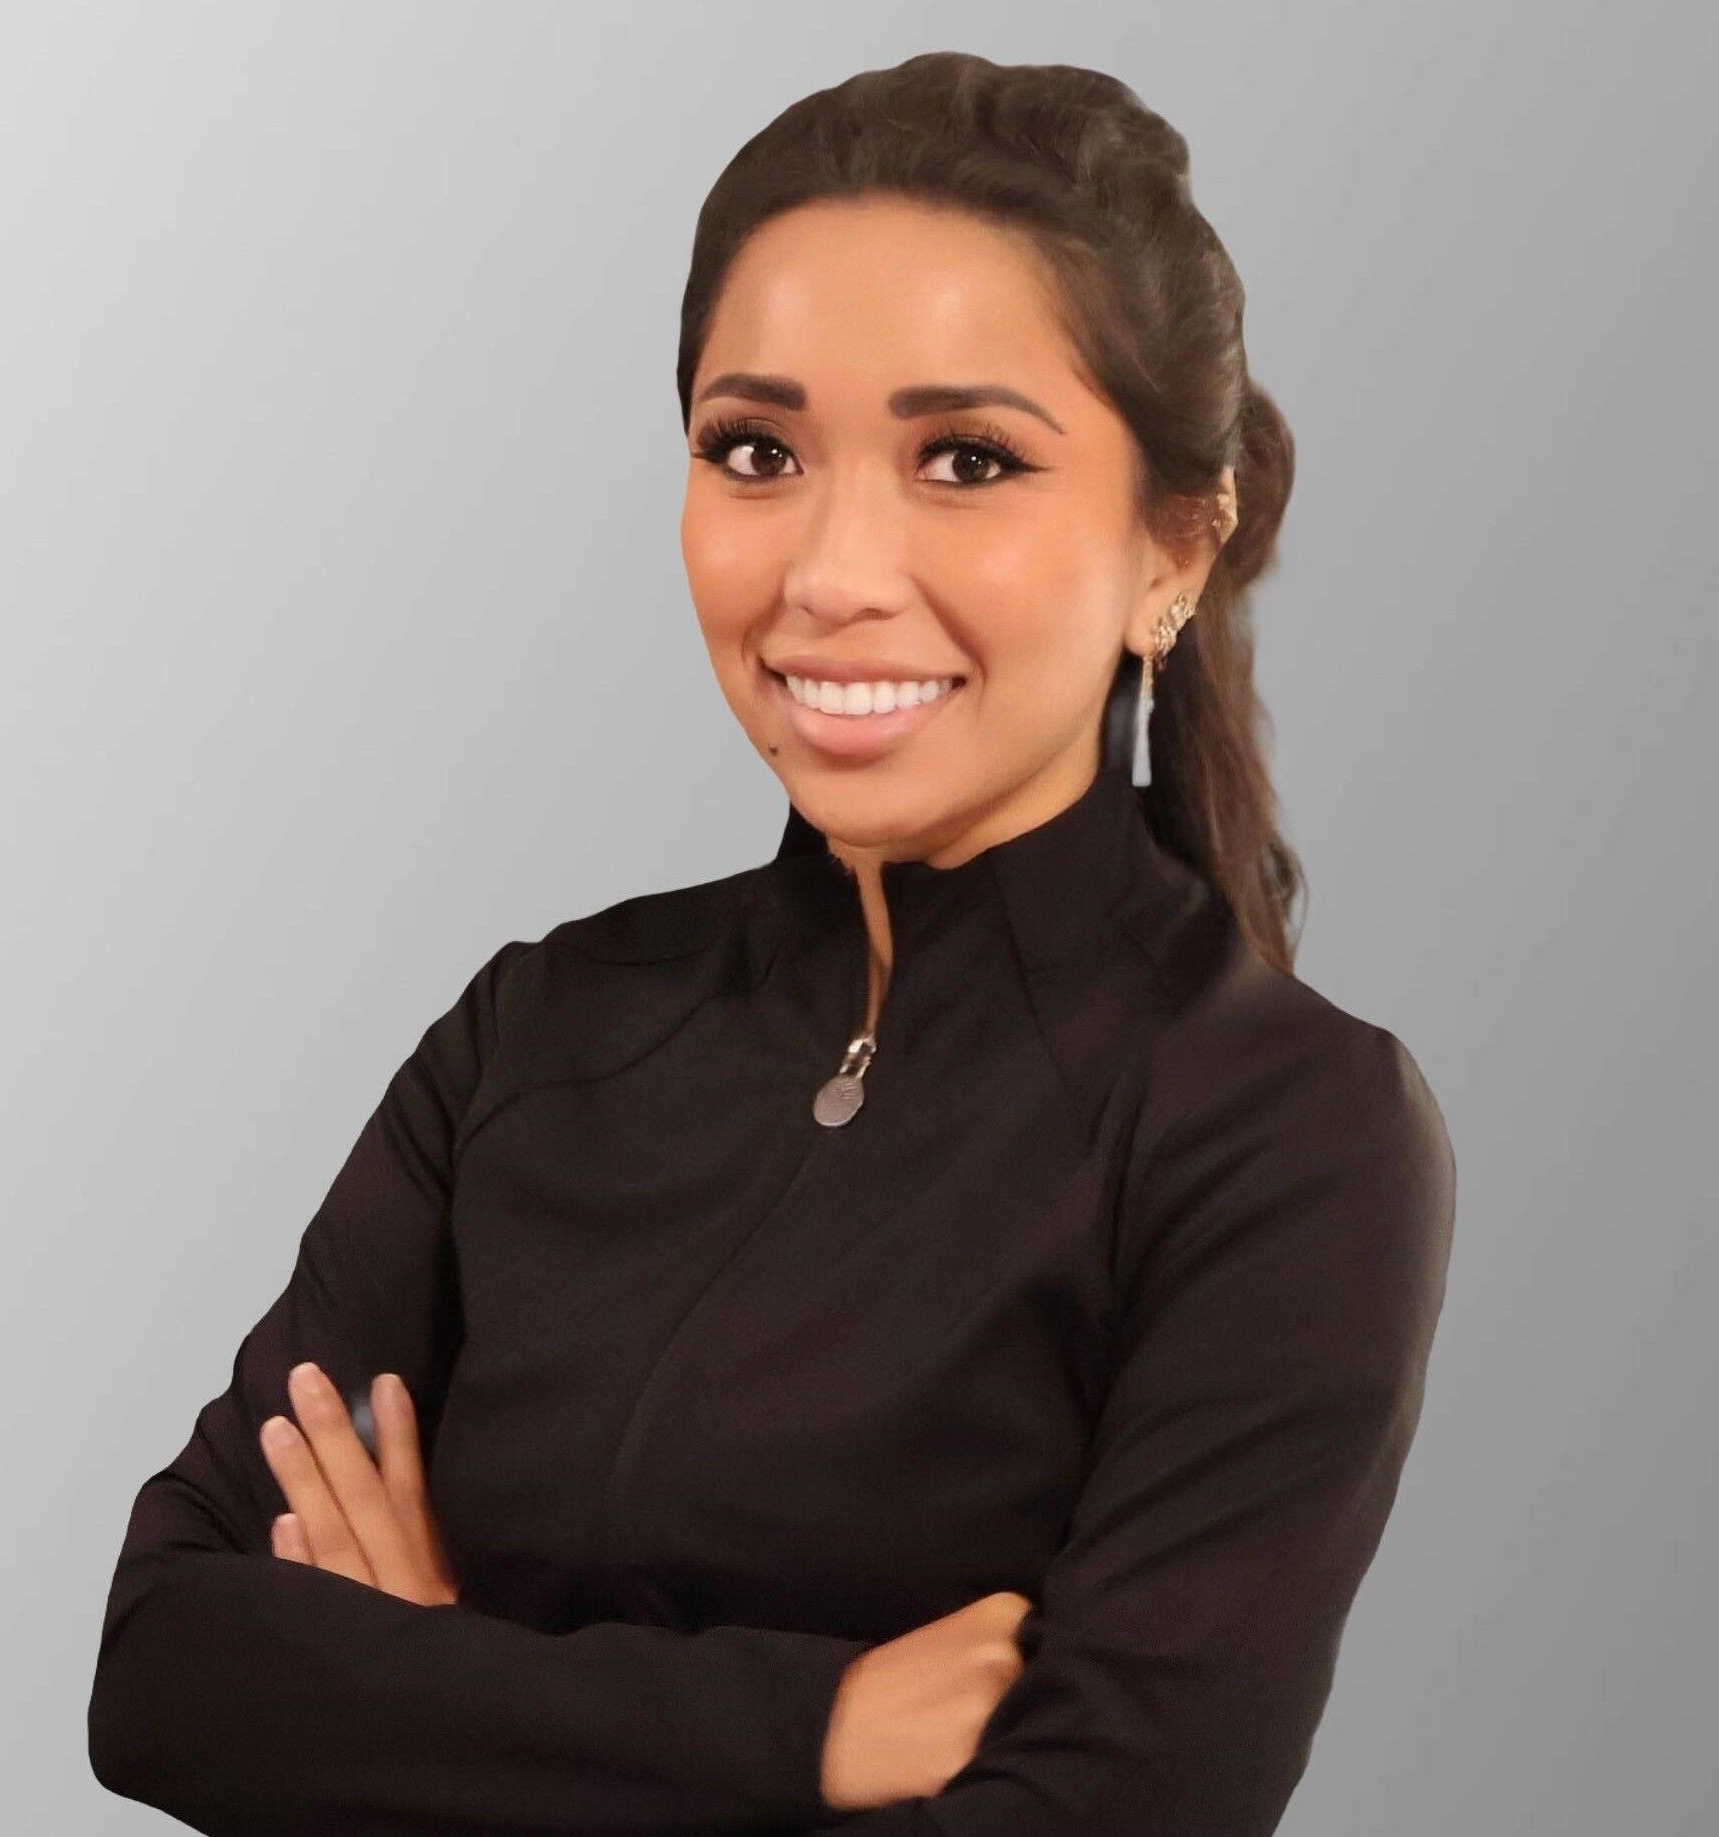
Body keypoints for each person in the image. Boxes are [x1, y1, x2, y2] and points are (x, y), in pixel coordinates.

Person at [87, 51, 1456, 1837]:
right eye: (757, 451)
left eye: (965, 459)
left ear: (1170, 552)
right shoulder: (539, 1031)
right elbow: (166, 1664)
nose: (828, 569)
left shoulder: (1283, 1131)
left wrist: (422, 1690)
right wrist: (803, 1727)